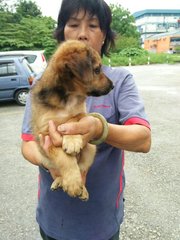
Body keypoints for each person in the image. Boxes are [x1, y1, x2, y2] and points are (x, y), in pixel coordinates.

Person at [21, 0, 151, 239]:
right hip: (53, 220)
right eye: (73, 24)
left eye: (93, 25)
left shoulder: (121, 80)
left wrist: (98, 128)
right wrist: (55, 163)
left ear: (104, 35)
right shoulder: (42, 86)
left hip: (102, 222)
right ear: (63, 33)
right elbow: (28, 143)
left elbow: (143, 140)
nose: (82, 34)